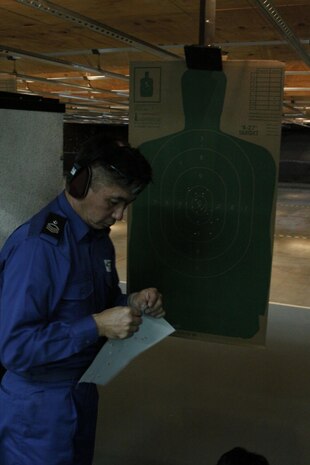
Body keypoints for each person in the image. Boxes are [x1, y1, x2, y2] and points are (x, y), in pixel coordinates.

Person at [0, 134, 165, 465]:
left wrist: (131, 303)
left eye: (126, 205)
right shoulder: (39, 248)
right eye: (113, 202)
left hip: (81, 389)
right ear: (79, 185)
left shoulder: (96, 240)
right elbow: (14, 348)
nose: (119, 216)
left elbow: (99, 304)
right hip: (38, 404)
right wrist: (96, 326)